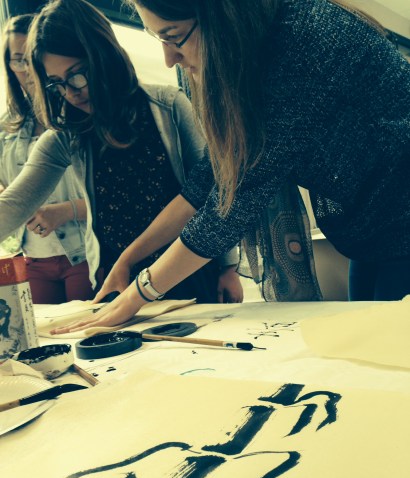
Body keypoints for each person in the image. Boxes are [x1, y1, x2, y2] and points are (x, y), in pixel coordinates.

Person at [47, 0, 410, 333]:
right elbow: (208, 180)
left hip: (402, 219)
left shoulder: (298, 43)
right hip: (372, 233)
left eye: (174, 37)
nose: (169, 59)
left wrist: (139, 293)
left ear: (221, 15)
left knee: (389, 352)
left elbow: (234, 204)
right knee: (373, 344)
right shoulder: (249, 51)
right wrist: (127, 260)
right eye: (158, 39)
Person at [0, 0, 243, 306]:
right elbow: (13, 205)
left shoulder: (168, 106)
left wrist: (228, 266)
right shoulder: (65, 138)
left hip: (187, 270)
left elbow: (213, 194)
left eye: (77, 74)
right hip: (117, 279)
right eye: (57, 84)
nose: (71, 92)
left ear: (104, 56)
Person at [0, 14, 93, 305]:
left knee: (88, 327)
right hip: (33, 257)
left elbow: (118, 201)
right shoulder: (6, 129)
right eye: (19, 61)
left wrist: (65, 211)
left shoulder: (79, 118)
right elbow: (11, 201)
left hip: (82, 252)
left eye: (32, 59)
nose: (28, 70)